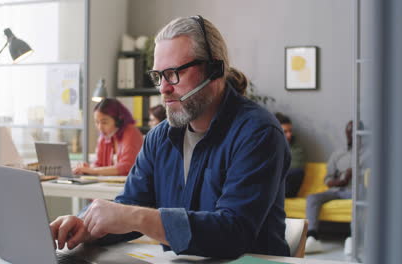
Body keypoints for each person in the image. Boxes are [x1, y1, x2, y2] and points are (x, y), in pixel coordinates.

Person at [51, 15, 291, 258]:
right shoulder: (159, 138)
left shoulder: (258, 133)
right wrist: (87, 225)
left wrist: (135, 216)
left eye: (174, 73)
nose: (163, 88)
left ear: (214, 70)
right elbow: (132, 204)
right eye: (158, 76)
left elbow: (233, 233)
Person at [304, 120, 354, 254]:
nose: (351, 135)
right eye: (349, 132)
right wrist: (340, 180)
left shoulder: (370, 153)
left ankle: (354, 237)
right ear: (346, 133)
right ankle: (312, 237)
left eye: (354, 132)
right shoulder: (338, 153)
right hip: (336, 190)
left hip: (357, 192)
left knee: (360, 202)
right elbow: (327, 179)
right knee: (313, 198)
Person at [73, 98, 143, 176]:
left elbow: (127, 166)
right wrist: (88, 168)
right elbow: (99, 164)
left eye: (104, 122)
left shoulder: (131, 132)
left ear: (118, 121)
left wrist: (93, 170)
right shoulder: (104, 136)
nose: (100, 127)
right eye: (97, 122)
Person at [275, 112, 305, 197]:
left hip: (287, 187)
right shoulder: (266, 146)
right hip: (271, 185)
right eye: (285, 132)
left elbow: (294, 169)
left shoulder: (297, 149)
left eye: (290, 131)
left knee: (297, 172)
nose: (289, 135)